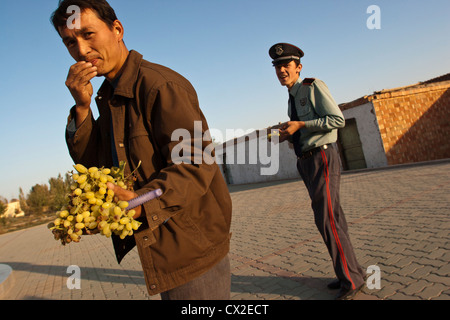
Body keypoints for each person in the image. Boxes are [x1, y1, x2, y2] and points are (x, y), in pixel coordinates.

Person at [50, 0, 232, 300]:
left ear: (117, 29)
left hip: (192, 247)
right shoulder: (108, 96)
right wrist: (82, 108)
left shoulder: (159, 85)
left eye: (88, 34)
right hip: (164, 246)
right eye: (70, 42)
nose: (81, 50)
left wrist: (142, 201)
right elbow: (93, 164)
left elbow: (196, 164)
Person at [269, 43, 365, 300]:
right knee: (334, 217)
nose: (281, 70)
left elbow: (337, 120)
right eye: (277, 67)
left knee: (327, 219)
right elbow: (303, 128)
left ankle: (351, 281)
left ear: (298, 68)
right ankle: (351, 271)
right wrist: (288, 133)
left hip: (322, 156)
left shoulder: (313, 86)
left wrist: (301, 123)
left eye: (286, 66)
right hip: (307, 161)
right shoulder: (292, 95)